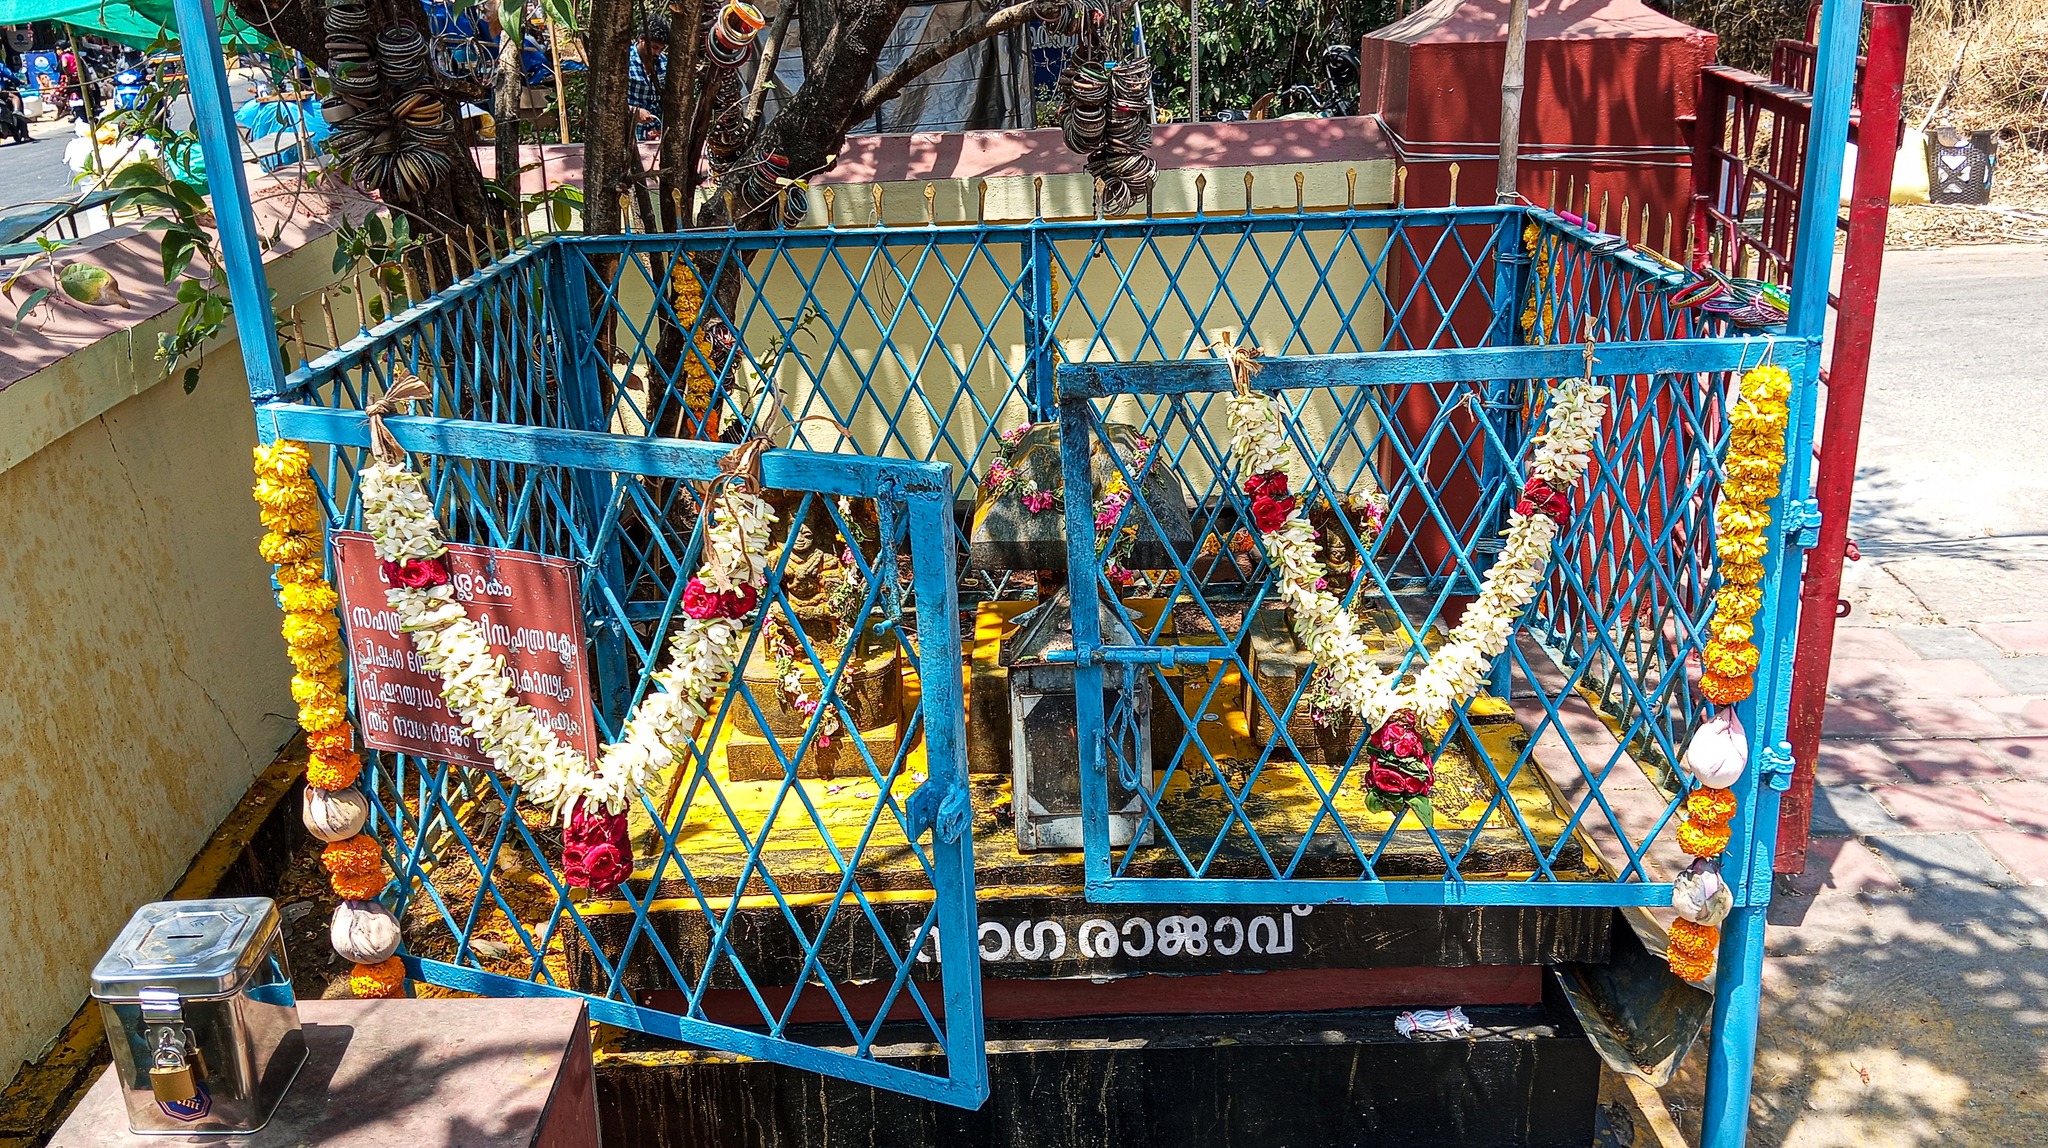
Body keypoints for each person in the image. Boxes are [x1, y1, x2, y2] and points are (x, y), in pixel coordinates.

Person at [626, 14, 667, 136]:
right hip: (630, 136)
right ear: (641, 40)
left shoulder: (664, 63)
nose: (658, 53)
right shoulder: (624, 62)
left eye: (661, 49)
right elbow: (608, 101)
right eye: (654, 47)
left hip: (657, 137)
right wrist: (634, 111)